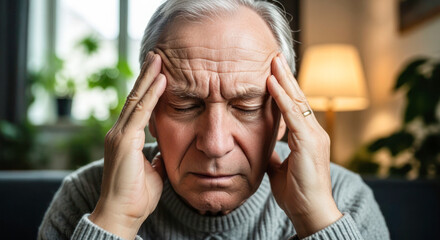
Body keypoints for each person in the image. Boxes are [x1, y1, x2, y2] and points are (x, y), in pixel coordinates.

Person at [38, 0, 389, 239]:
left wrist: (317, 220)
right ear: (148, 116)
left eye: (247, 107)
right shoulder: (86, 197)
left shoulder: (345, 200)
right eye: (185, 104)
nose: (215, 144)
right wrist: (115, 221)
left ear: (285, 117)